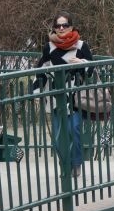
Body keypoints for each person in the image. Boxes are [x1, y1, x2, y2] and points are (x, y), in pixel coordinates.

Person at [31, 11, 93, 178]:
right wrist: (36, 93)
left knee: (74, 130)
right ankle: (65, 164)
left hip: (75, 96)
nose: (61, 28)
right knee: (59, 137)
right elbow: (40, 70)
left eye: (64, 25)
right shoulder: (49, 48)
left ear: (71, 27)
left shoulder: (81, 46)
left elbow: (93, 69)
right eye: (58, 25)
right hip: (56, 96)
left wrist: (83, 62)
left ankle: (76, 164)